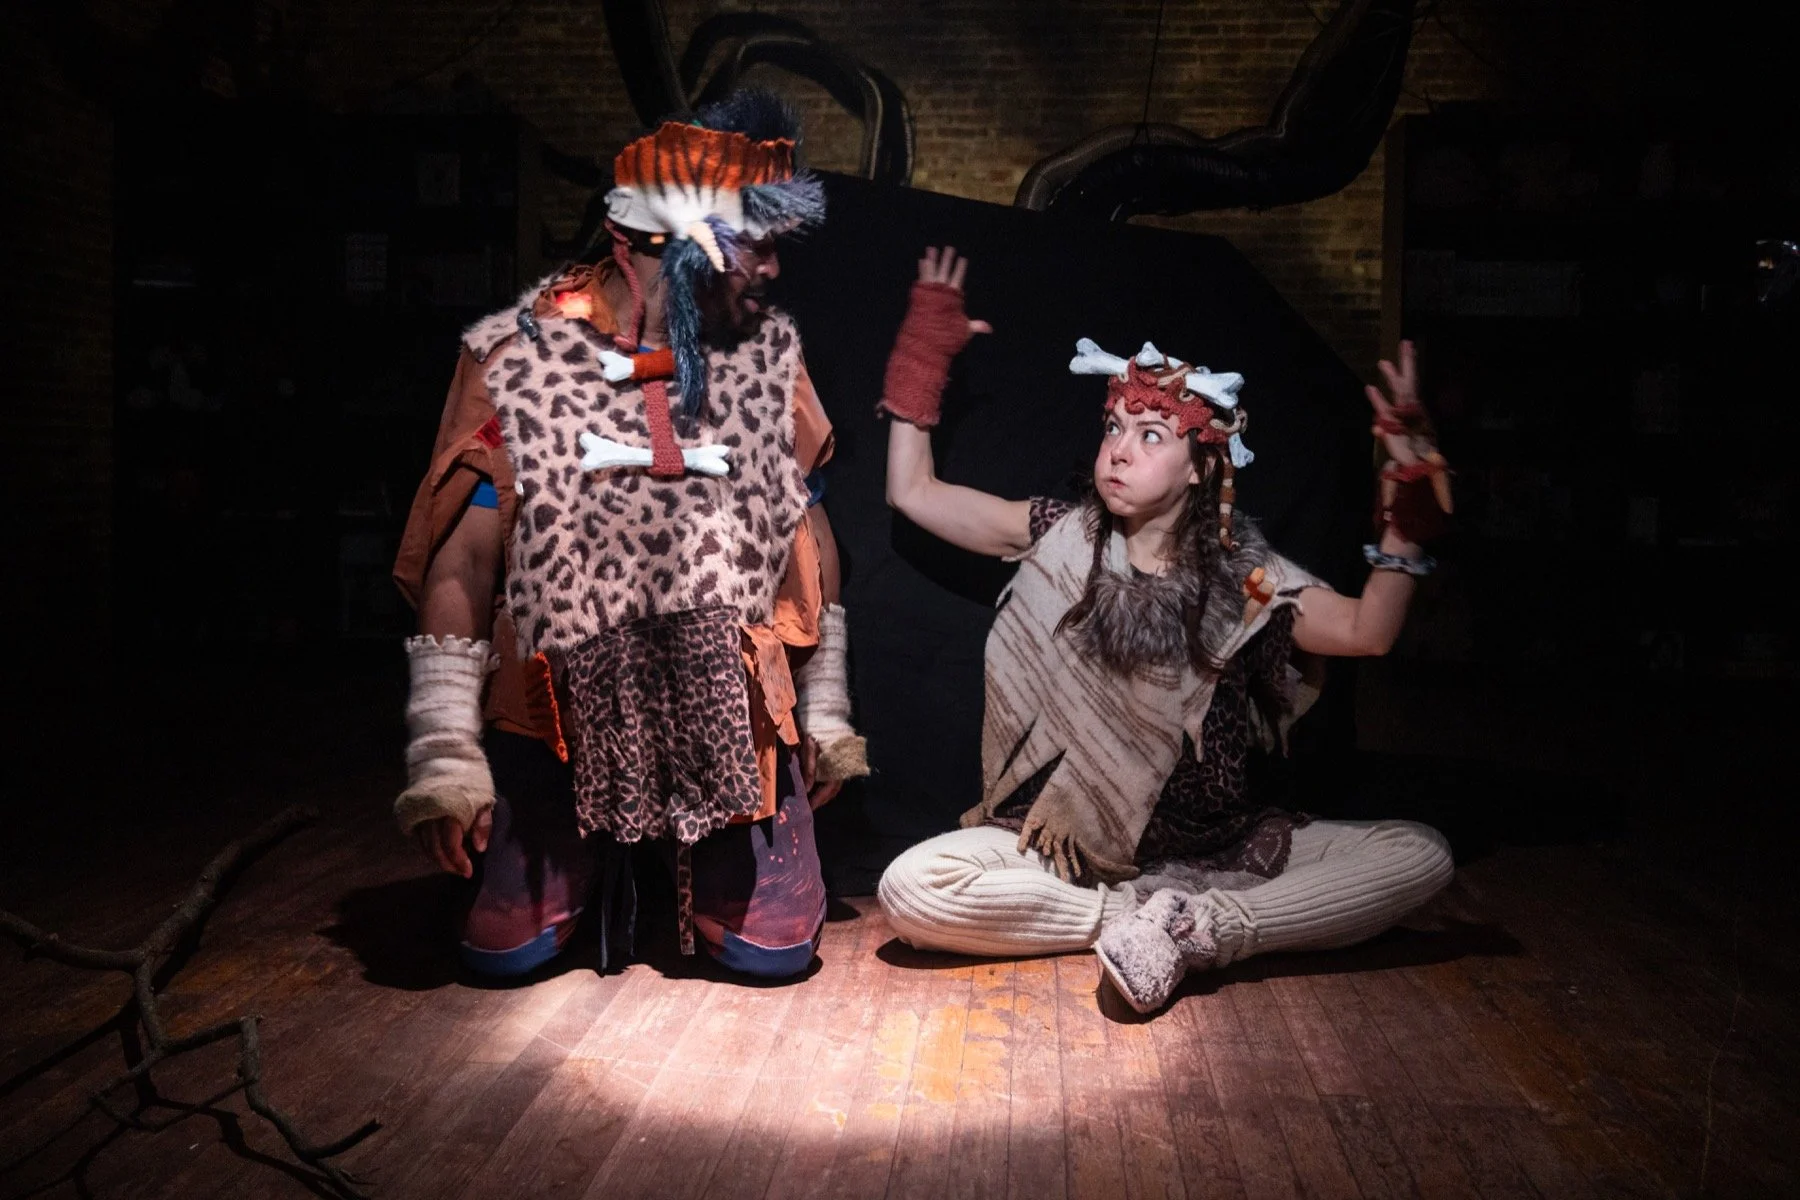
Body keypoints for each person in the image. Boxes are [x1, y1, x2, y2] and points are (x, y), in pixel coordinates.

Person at [873, 247, 1455, 1013]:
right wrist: (922, 361)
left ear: (1196, 467)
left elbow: (1368, 632)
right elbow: (913, 493)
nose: (1118, 448)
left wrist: (1409, 495)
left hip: (1218, 849)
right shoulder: (1058, 537)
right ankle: (1134, 921)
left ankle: (1203, 926)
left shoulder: (1245, 579)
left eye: (1152, 435)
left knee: (1419, 854)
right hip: (1064, 857)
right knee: (912, 887)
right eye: (1115, 426)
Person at [389, 89, 868, 981]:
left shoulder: (765, 352)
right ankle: (567, 820)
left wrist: (826, 706)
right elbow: (464, 554)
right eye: (746, 248)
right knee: (505, 955)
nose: (767, 273)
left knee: (767, 956)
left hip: (729, 696)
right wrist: (445, 750)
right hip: (568, 697)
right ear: (652, 252)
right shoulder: (521, 357)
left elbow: (810, 530)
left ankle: (752, 816)